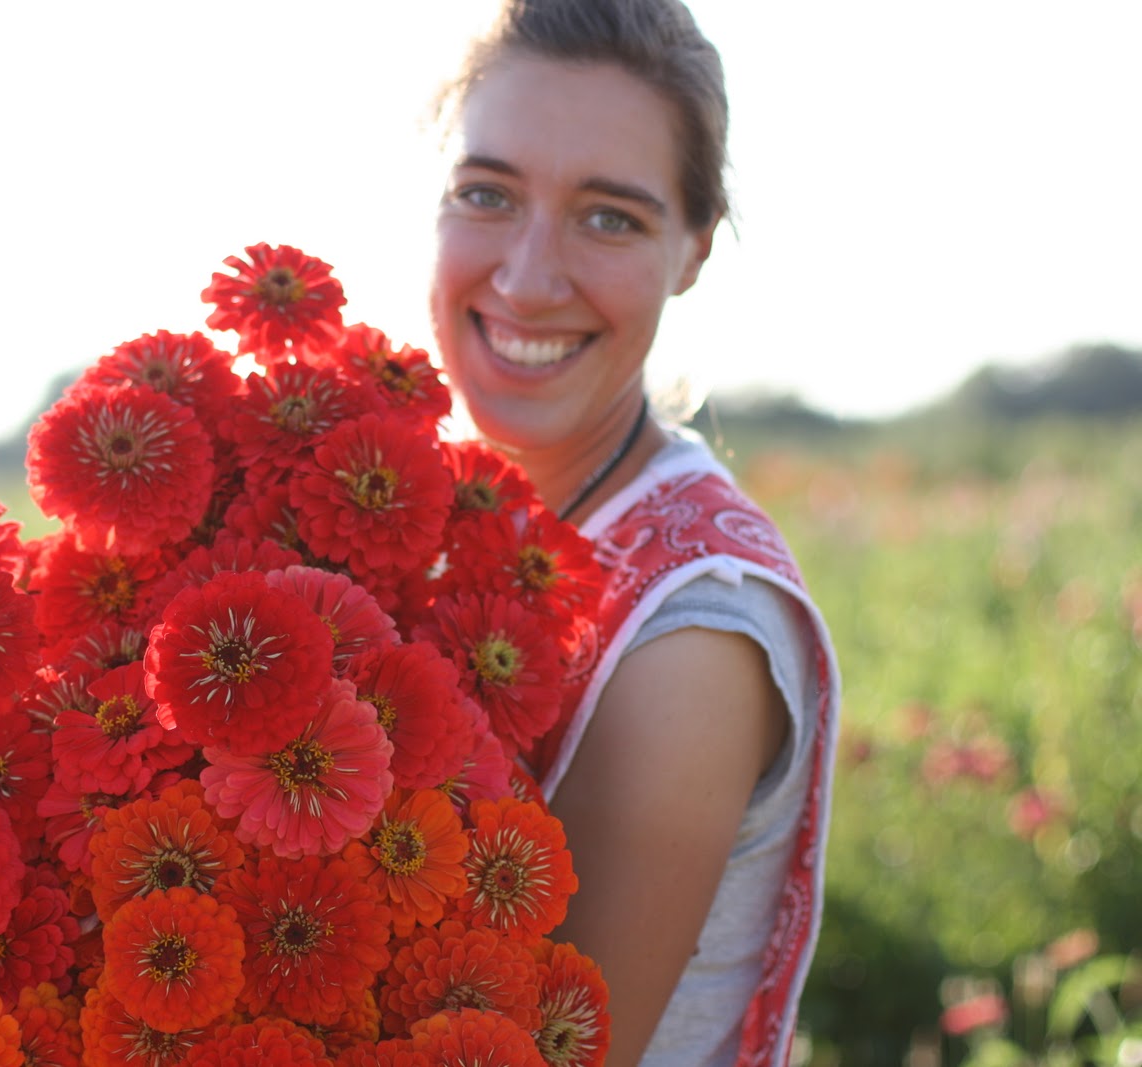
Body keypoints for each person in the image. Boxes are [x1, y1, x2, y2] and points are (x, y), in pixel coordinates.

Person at [430, 2, 842, 1065]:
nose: (525, 277)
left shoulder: (690, 643)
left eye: (607, 217)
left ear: (692, 250)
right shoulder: (429, 507)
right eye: (487, 194)